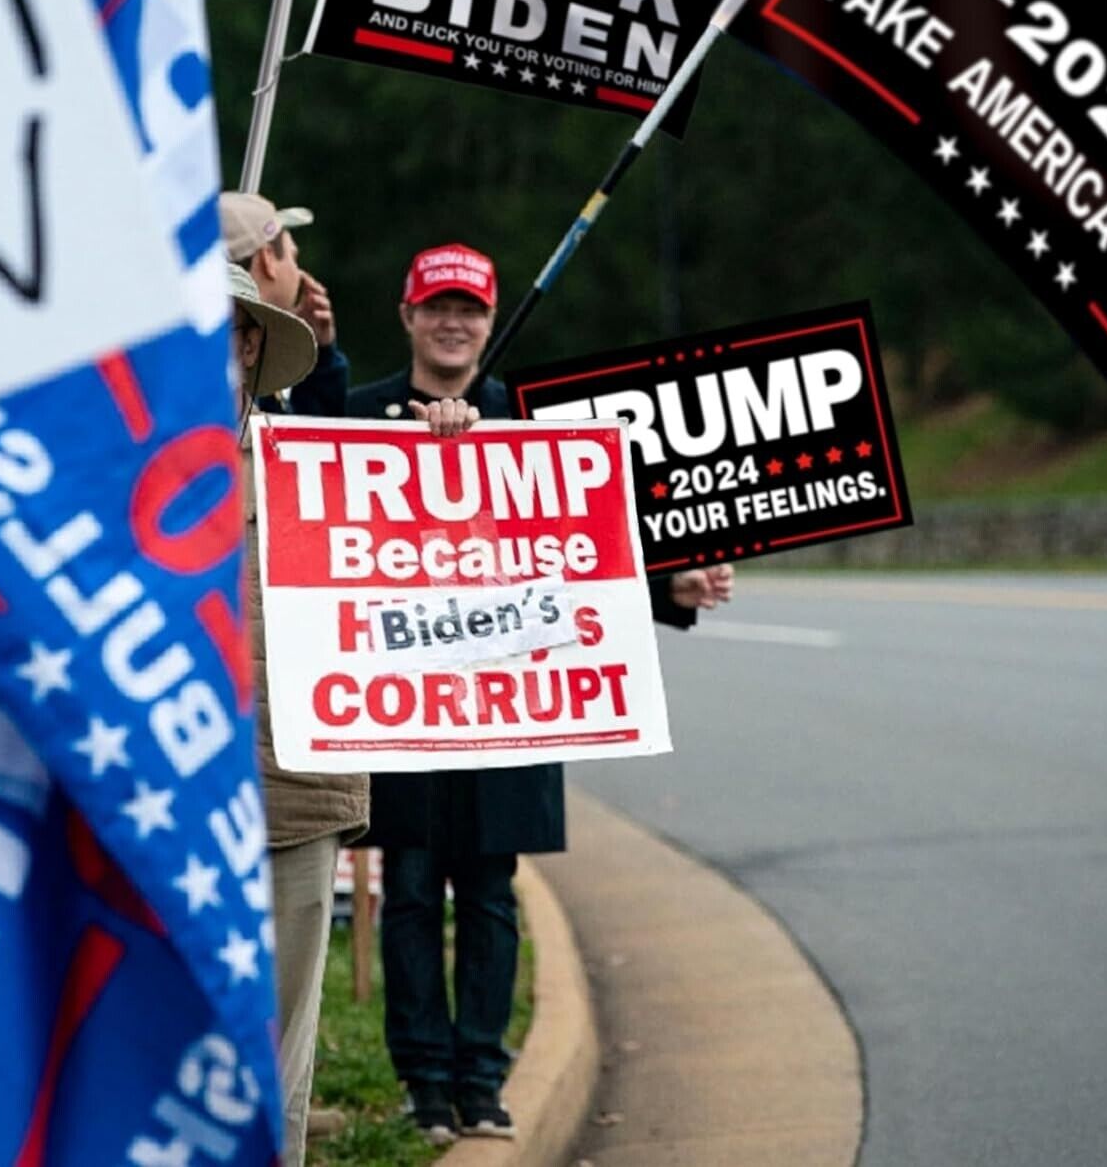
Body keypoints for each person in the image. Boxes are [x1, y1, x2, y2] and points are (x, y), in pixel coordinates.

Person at [346, 243, 734, 1143]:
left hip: (512, 707)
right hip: (398, 706)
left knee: (487, 890)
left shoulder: (537, 422)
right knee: (407, 888)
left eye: (470, 310)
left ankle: (481, 1081)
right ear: (407, 315)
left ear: (488, 321)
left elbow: (581, 563)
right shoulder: (353, 418)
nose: (453, 323)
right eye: (436, 307)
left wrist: (667, 591)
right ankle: (422, 1083)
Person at [229, 260, 478, 1165]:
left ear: (255, 349)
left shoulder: (324, 463)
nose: (214, 349)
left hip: (296, 788)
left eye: (235, 332)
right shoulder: (114, 467)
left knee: (283, 1049)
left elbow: (452, 559)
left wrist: (453, 458)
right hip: (161, 801)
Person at [221, 191, 348, 416]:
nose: (299, 273)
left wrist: (322, 360)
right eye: (294, 257)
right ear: (268, 258)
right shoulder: (239, 369)